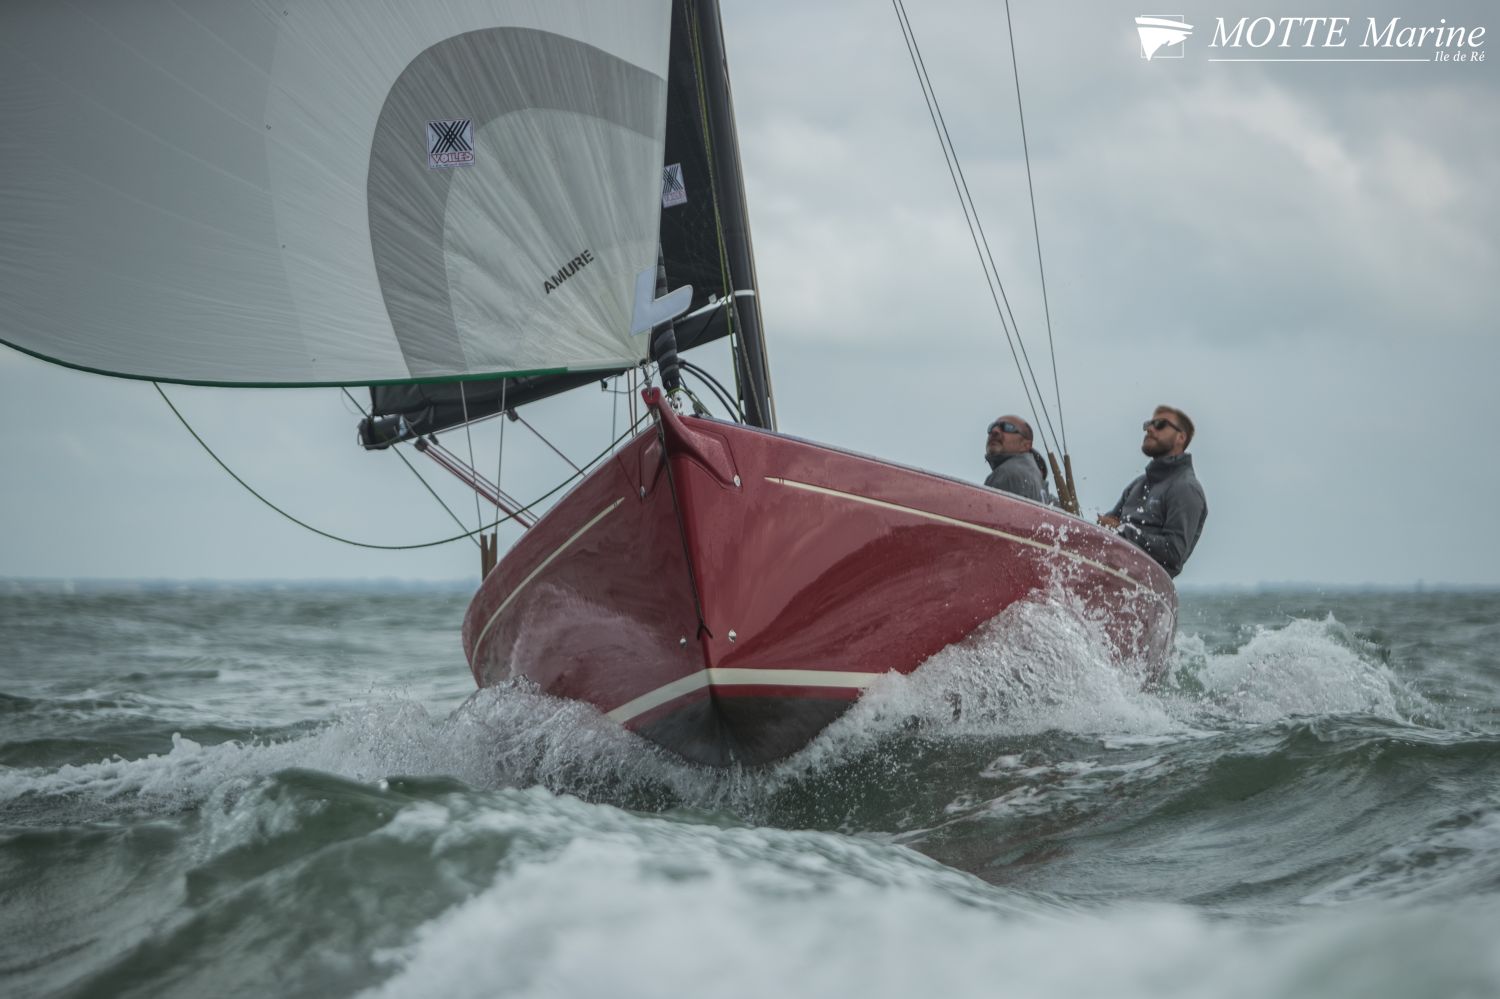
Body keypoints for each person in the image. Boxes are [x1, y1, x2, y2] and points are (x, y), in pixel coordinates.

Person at [1098, 405, 1207, 577]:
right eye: (1148, 424)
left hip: (1143, 585)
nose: (1149, 429)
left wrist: (1123, 530)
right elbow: (1107, 527)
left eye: (1160, 424)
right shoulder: (1136, 485)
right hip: (1110, 573)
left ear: (1181, 437)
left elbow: (1174, 553)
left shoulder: (1186, 488)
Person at [983, 415, 1046, 503]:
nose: (995, 430)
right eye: (992, 427)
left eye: (1007, 427)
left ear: (1025, 445)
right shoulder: (1040, 483)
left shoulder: (1007, 473)